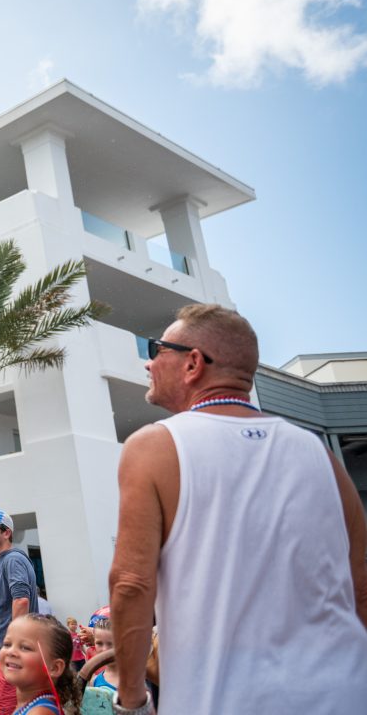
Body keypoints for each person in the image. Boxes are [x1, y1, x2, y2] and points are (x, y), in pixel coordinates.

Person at [109, 304, 367, 714]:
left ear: (193, 363)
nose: (149, 361)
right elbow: (360, 588)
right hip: (343, 696)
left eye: (157, 349)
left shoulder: (153, 447)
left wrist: (132, 700)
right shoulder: (321, 455)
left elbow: (131, 585)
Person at [0, 615, 80, 715]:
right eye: (7, 644)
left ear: (54, 667)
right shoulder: (28, 704)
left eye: (25, 647)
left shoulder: (42, 710)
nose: (11, 652)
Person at [0, 509, 36, 715]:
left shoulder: (12, 560)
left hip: (10, 655)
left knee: (5, 708)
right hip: (7, 653)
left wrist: (13, 646)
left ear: (6, 533)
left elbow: (21, 599)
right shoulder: (6, 560)